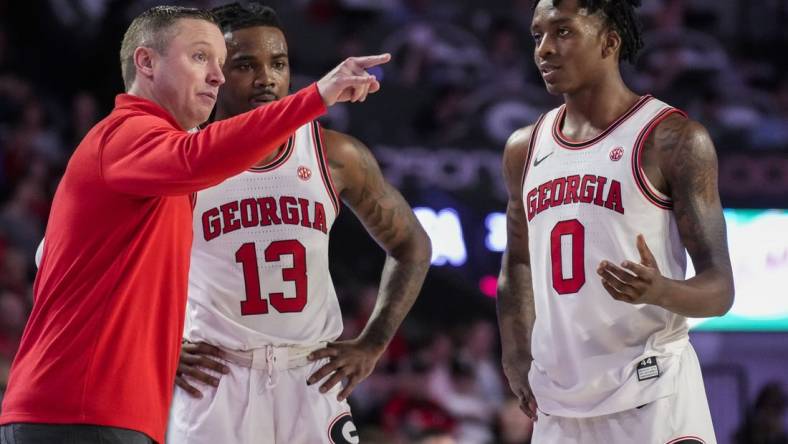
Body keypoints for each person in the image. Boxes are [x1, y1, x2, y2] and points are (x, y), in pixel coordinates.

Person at [0, 5, 389, 444]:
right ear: (146, 62)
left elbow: (49, 255)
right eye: (201, 57)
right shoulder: (127, 134)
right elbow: (198, 157)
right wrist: (318, 95)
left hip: (108, 409)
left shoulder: (151, 162)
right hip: (81, 411)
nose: (218, 76)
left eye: (221, 63)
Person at [165, 3, 431, 443]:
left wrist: (373, 342)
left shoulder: (334, 155)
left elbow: (412, 247)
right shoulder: (179, 160)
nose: (266, 78)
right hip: (217, 379)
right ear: (212, 72)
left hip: (310, 376)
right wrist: (159, 346)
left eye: (279, 63)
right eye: (245, 65)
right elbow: (109, 268)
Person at [497, 1, 734, 443]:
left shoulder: (672, 139)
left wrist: (661, 290)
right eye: (537, 36)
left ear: (610, 42)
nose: (544, 50)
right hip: (559, 404)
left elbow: (720, 289)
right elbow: (518, 264)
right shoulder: (523, 148)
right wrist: (514, 355)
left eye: (563, 32)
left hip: (653, 393)